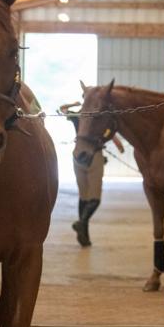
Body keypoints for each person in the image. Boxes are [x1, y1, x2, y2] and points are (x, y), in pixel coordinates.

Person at [59, 101, 124, 247]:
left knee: (84, 196)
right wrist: (118, 145)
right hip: (94, 156)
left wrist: (73, 104)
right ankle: (81, 223)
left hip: (77, 157)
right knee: (95, 198)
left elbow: (62, 109)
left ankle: (84, 235)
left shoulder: (77, 116)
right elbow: (111, 132)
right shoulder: (98, 117)